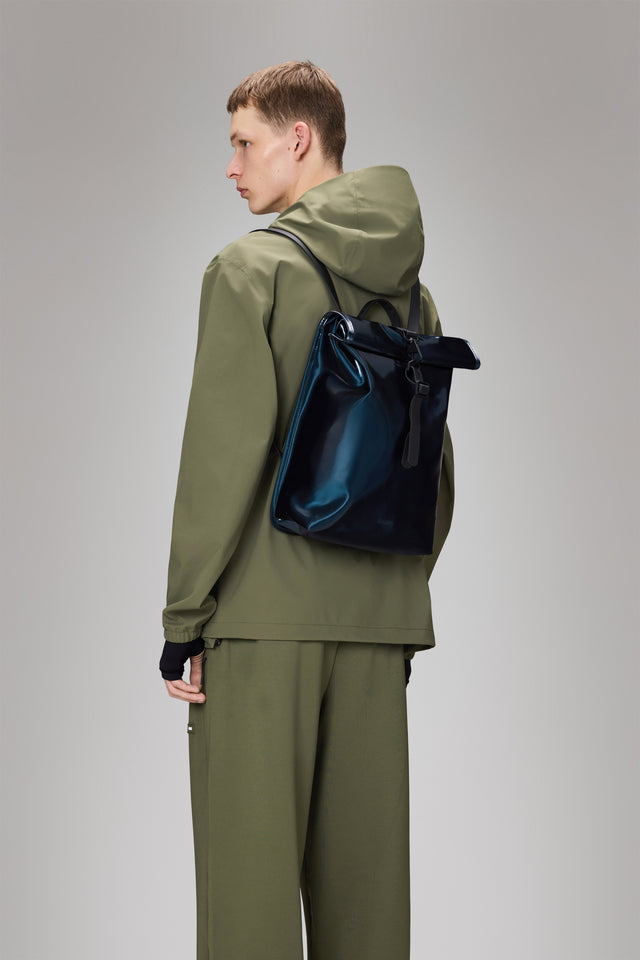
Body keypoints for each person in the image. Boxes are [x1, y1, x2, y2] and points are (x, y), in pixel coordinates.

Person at [159, 60, 455, 960]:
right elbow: (433, 475)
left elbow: (220, 462)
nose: (232, 166)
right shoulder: (411, 292)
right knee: (370, 915)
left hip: (261, 630)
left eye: (243, 143)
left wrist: (184, 620)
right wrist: (392, 607)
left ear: (298, 139)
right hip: (377, 629)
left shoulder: (248, 269)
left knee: (247, 911)